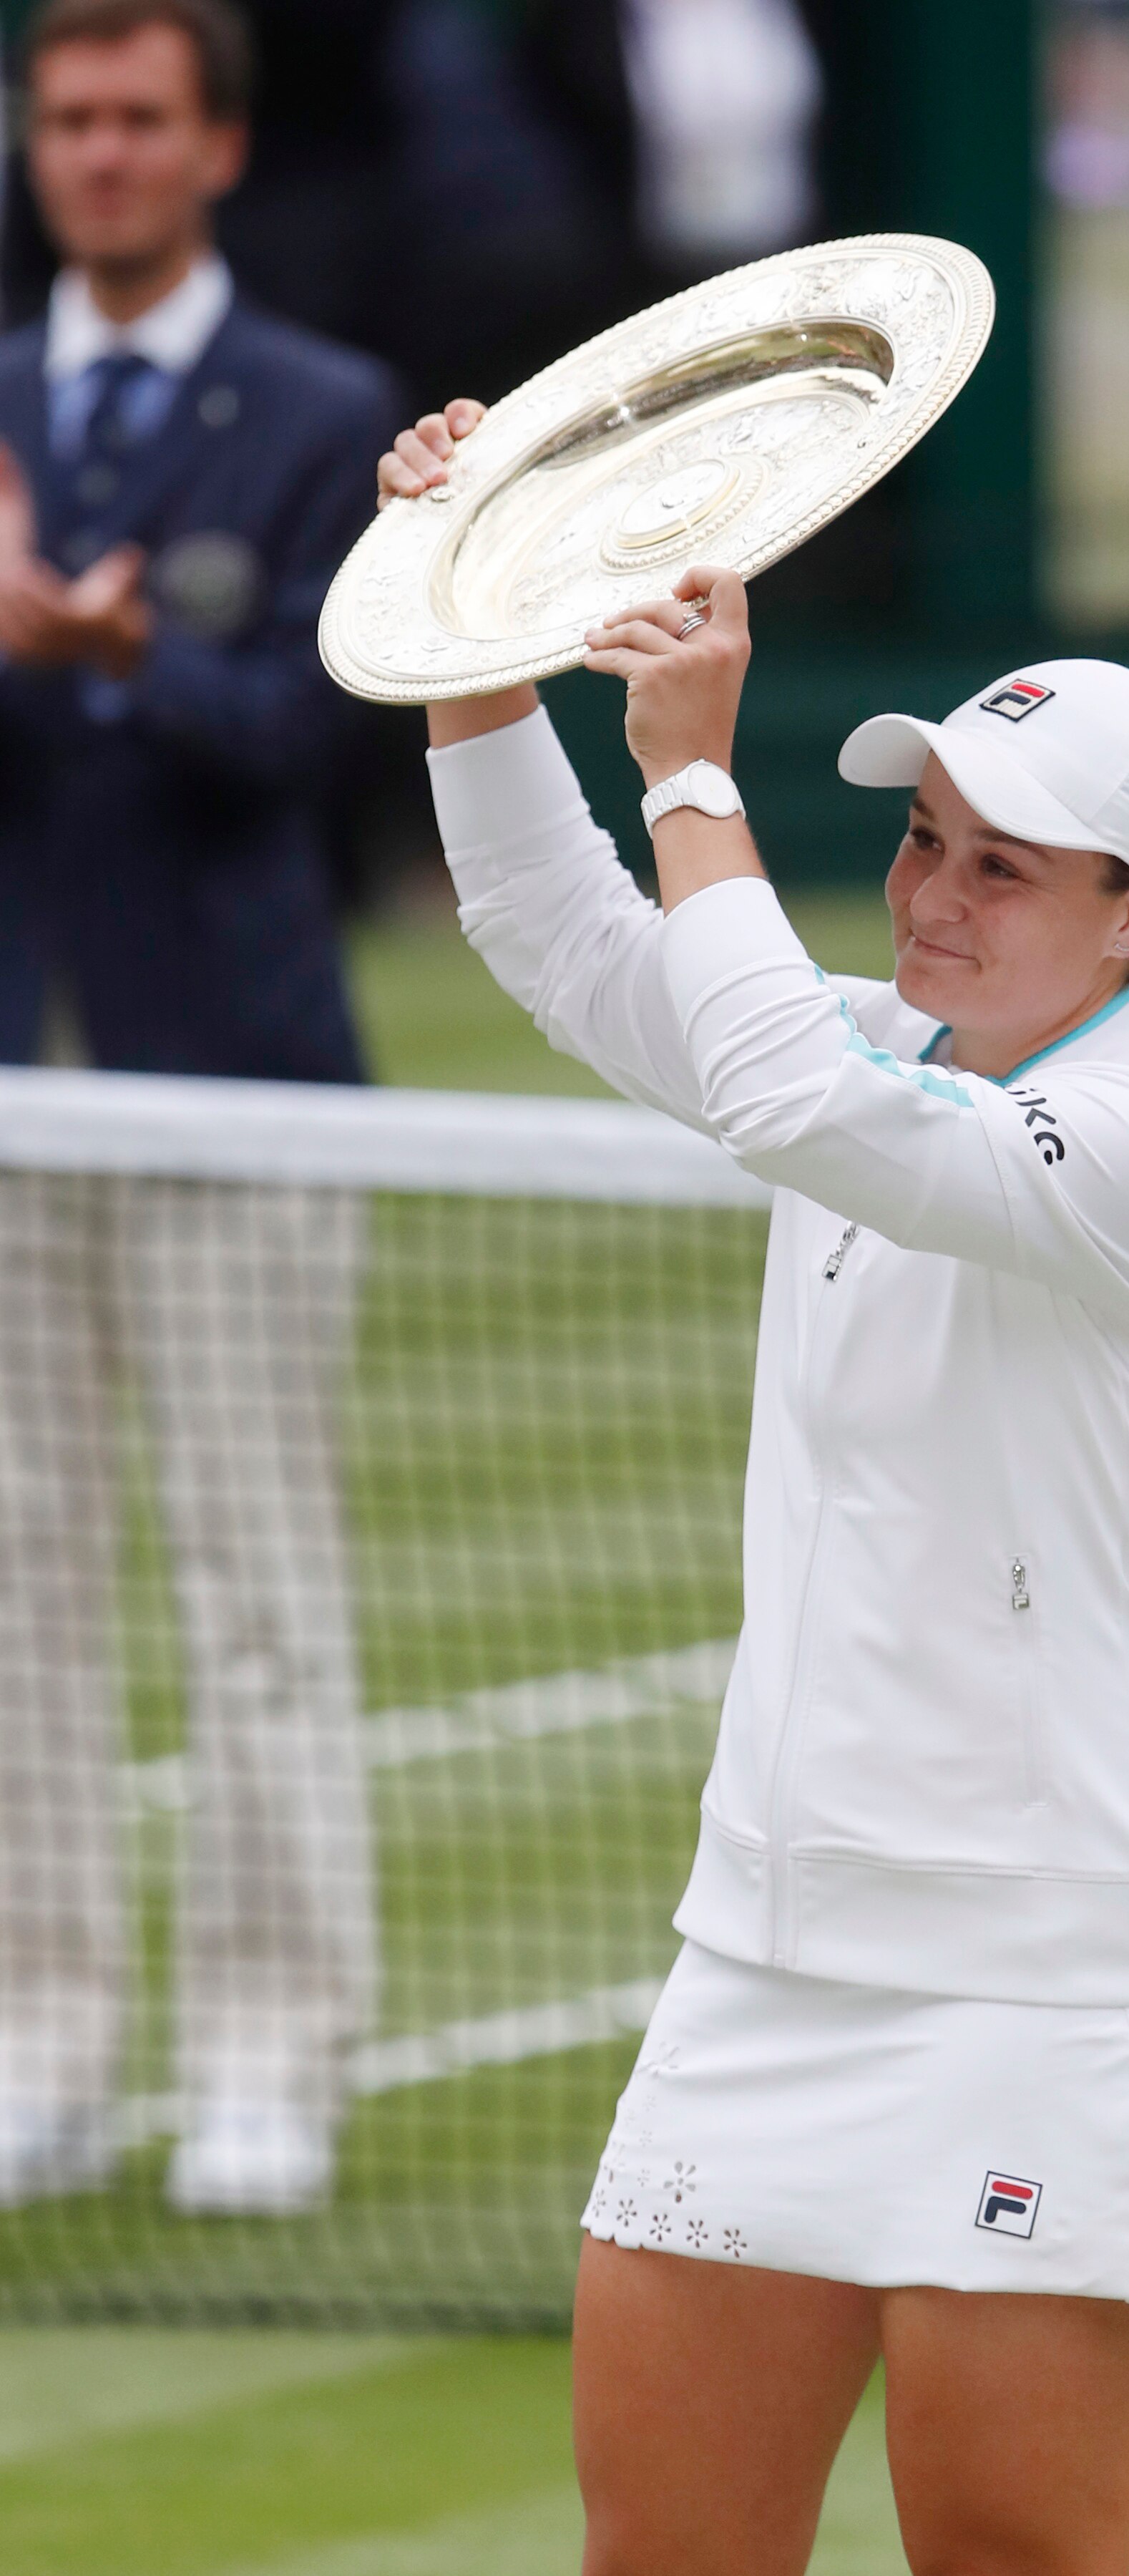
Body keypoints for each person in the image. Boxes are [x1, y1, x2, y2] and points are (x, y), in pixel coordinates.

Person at [383, 392, 1129, 2575]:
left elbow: (776, 1086)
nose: (935, 896)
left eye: (1001, 864)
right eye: (923, 840)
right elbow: (553, 924)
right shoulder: (881, 1060)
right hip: (768, 1949)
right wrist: (476, 626)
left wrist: (692, 763)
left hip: (1042, 1983)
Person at [0, 0, 396, 2216]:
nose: (104, 156)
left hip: (235, 1079)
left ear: (217, 146)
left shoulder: (330, 415)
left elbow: (326, 739)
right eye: (71, 120)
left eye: (141, 119)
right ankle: (42, 2039)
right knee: (18, 1578)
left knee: (256, 1581)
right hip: (10, 1086)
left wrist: (124, 657)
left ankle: (270, 2053)